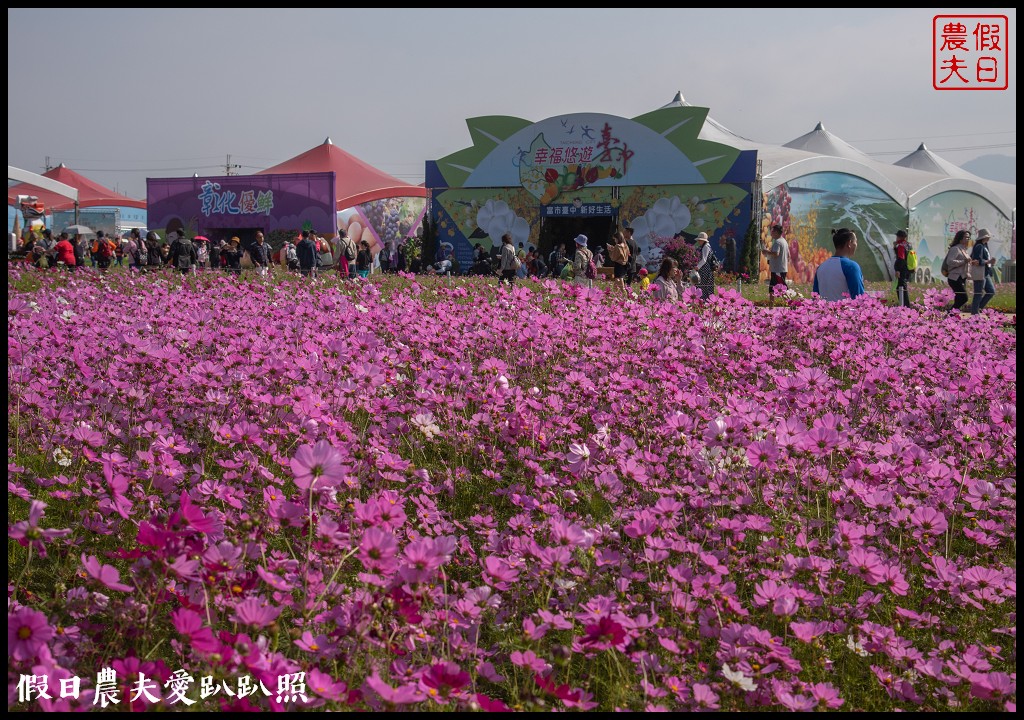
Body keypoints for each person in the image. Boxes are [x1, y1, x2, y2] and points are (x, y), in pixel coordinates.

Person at [813, 227, 865, 301]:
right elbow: (859, 298)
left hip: (824, 311)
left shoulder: (821, 267)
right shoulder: (851, 267)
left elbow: (815, 298)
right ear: (849, 243)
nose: (856, 244)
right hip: (846, 311)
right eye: (855, 241)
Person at [943, 230, 972, 312]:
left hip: (962, 277)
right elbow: (950, 261)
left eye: (969, 237)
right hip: (954, 278)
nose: (968, 239)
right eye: (966, 237)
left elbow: (966, 262)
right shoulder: (955, 249)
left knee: (959, 298)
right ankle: (950, 313)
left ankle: (953, 316)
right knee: (964, 298)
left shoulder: (963, 249)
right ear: (960, 238)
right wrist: (963, 261)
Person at [969, 228, 996, 315]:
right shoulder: (979, 246)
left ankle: (977, 308)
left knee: (991, 291)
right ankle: (975, 313)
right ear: (983, 237)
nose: (989, 238)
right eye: (987, 237)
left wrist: (990, 263)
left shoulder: (984, 246)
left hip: (985, 273)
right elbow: (977, 260)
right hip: (980, 273)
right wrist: (989, 261)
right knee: (978, 293)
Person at [761, 224, 790, 298]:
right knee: (772, 288)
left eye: (772, 231)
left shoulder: (778, 242)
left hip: (778, 270)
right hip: (778, 269)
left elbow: (776, 254)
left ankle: (790, 304)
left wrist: (766, 252)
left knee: (783, 288)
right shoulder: (784, 241)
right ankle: (771, 306)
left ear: (776, 232)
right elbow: (788, 255)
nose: (771, 233)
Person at [891, 229, 912, 307]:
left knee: (900, 287)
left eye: (897, 236)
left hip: (902, 269)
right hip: (908, 268)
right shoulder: (908, 245)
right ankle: (906, 305)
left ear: (899, 237)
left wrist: (898, 270)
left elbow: (901, 258)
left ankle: (905, 306)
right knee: (903, 286)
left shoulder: (901, 246)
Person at [694, 232, 716, 300]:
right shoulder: (707, 246)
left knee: (703, 286)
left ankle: (703, 301)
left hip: (705, 270)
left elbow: (704, 260)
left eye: (700, 240)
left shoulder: (705, 247)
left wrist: (697, 267)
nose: (698, 241)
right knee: (706, 286)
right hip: (706, 269)